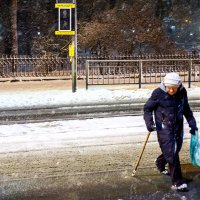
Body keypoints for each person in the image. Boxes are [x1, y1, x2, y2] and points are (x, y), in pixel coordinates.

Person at [143, 72, 198, 192]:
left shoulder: (182, 92)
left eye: (174, 88)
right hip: (163, 127)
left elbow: (186, 109)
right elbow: (147, 109)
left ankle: (160, 162)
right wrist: (149, 123)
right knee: (172, 153)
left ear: (179, 86)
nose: (171, 90)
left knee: (174, 149)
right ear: (164, 85)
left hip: (177, 126)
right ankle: (177, 182)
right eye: (169, 88)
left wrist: (192, 124)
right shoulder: (158, 93)